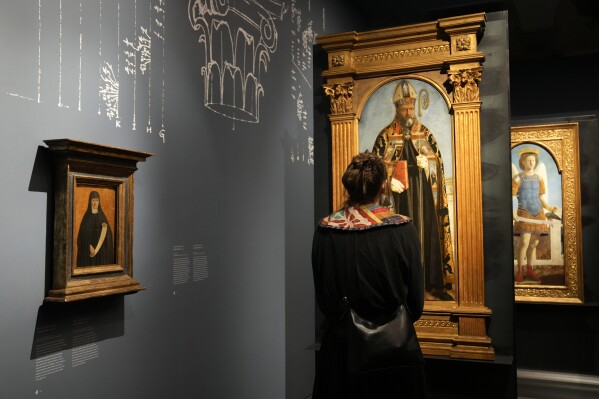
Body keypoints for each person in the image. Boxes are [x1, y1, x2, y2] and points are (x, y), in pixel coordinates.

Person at [311, 152, 427, 399]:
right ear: (383, 185)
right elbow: (415, 303)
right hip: (393, 351)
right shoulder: (402, 227)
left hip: (342, 353)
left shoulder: (326, 229)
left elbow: (325, 300)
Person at [372, 79, 453, 301]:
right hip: (397, 200)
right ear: (396, 108)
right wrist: (387, 181)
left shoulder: (424, 134)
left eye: (411, 107)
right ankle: (399, 288)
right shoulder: (385, 136)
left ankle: (427, 285)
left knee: (423, 237)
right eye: (404, 108)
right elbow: (374, 169)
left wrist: (428, 165)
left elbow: (437, 161)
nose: (408, 112)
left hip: (422, 198)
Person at [512, 148, 558, 283]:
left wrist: (549, 207)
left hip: (538, 213)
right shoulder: (517, 178)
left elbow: (541, 198)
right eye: (528, 160)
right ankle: (520, 272)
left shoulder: (539, 178)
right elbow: (512, 197)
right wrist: (513, 212)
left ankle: (530, 270)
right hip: (524, 213)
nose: (532, 162)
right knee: (525, 242)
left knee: (534, 243)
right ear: (523, 162)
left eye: (533, 160)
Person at [77, 191, 114, 266]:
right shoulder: (86, 217)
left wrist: (105, 232)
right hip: (88, 252)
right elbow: (81, 237)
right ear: (90, 202)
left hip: (101, 252)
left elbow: (109, 235)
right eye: (93, 200)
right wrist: (89, 246)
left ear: (99, 202)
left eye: (97, 200)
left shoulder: (102, 217)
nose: (95, 203)